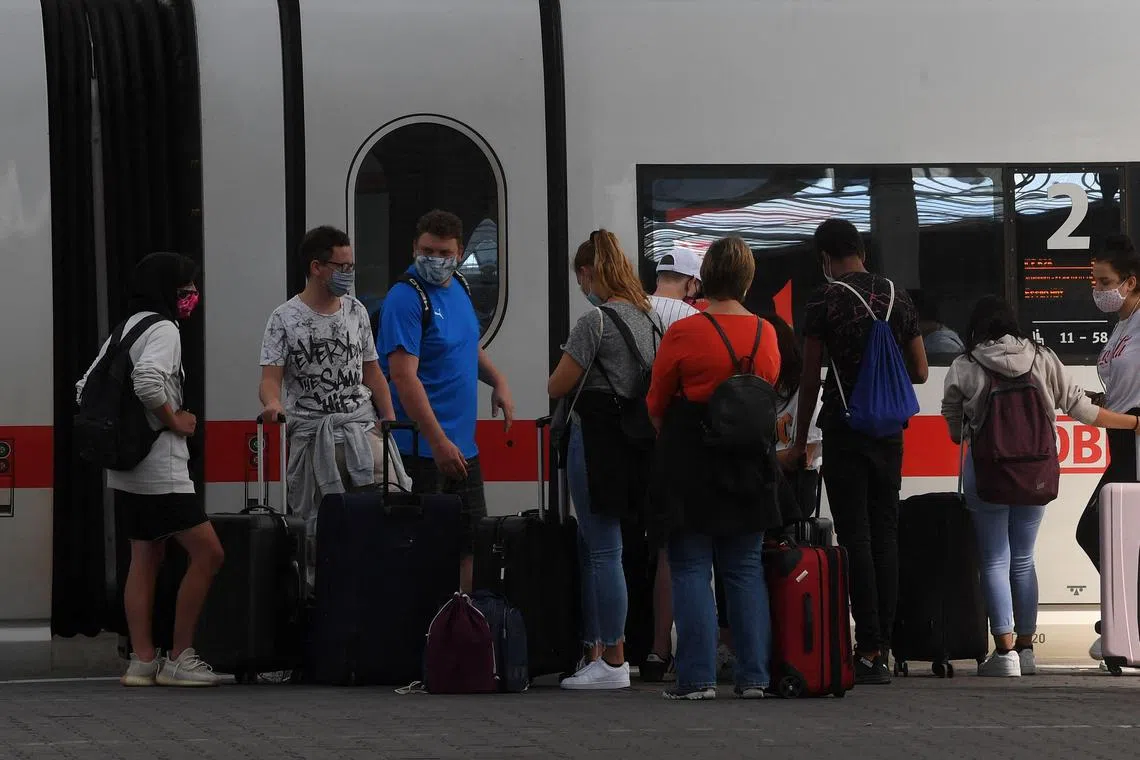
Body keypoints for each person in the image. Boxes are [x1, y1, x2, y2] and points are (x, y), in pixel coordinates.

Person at [942, 295, 1140, 676]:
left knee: (995, 559)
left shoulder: (964, 365)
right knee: (1023, 558)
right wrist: (1133, 423)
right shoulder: (1043, 358)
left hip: (987, 472)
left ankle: (1004, 655)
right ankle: (1028, 649)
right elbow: (1082, 410)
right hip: (1036, 471)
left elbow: (955, 428)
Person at [787, 218, 928, 686]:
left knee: (856, 538)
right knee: (885, 532)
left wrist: (797, 441)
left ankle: (864, 645)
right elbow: (922, 371)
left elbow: (810, 380)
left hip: (845, 430)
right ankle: (880, 649)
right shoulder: (897, 295)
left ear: (825, 258)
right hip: (889, 431)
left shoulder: (824, 300)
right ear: (861, 251)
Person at [77, 252, 224, 687]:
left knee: (145, 555)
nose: (192, 296)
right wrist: (173, 419)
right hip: (161, 466)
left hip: (126, 468)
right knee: (209, 553)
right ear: (166, 288)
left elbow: (85, 385)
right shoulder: (163, 329)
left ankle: (142, 660)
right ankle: (180, 657)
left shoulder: (127, 326)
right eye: (185, 288)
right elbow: (146, 381)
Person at [646, 235, 783, 700]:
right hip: (748, 463)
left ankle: (697, 678)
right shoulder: (767, 333)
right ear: (747, 279)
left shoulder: (685, 331)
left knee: (689, 567)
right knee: (744, 568)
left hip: (692, 459)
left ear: (705, 278)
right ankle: (754, 677)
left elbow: (657, 401)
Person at [259, 225, 408, 592]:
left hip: (361, 428)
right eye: (341, 266)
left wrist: (387, 419)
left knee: (387, 508)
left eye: (351, 265)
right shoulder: (284, 318)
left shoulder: (356, 311)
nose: (349, 274)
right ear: (316, 267)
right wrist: (273, 403)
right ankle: (322, 600)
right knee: (317, 526)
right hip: (313, 435)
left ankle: (377, 593)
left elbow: (372, 370)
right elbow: (270, 378)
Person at [548, 229, 664, 691]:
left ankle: (611, 658)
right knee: (613, 546)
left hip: (595, 441)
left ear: (587, 271)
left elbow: (557, 386)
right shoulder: (649, 318)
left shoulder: (594, 322)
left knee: (602, 548)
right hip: (635, 444)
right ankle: (604, 651)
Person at [378, 210, 515, 595]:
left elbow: (467, 345)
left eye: (444, 252)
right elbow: (403, 377)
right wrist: (436, 441)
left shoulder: (459, 288)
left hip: (462, 448)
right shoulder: (405, 298)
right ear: (414, 248)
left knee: (474, 545)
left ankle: (458, 631)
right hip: (421, 451)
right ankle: (420, 636)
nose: (434, 259)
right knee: (423, 551)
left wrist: (498, 380)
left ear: (458, 254)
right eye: (427, 250)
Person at [1075, 234, 1140, 662]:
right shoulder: (1121, 323)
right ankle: (1125, 617)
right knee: (1106, 533)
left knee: (1094, 530)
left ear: (1131, 282)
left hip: (1135, 435)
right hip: (1121, 433)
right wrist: (1102, 402)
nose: (1097, 289)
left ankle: (1126, 618)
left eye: (1105, 281)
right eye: (1095, 281)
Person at [639, 248, 703, 683]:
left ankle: (629, 644)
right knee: (673, 547)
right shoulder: (690, 319)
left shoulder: (631, 306)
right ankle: (665, 648)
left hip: (627, 442)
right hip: (671, 441)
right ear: (693, 283)